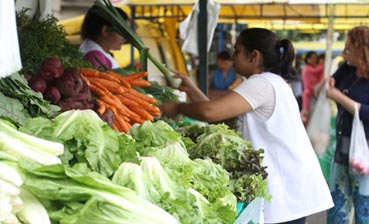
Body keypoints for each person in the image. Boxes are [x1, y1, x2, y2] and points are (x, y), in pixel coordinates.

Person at [160, 28, 333, 224]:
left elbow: (209, 112)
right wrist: (191, 89)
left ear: (254, 56)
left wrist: (177, 107)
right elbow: (219, 117)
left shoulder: (262, 84)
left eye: (237, 51)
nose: (233, 57)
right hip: (288, 185)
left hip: (284, 188)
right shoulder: (271, 83)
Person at [325, 25, 369, 224]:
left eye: (349, 48)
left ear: (362, 50)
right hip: (343, 151)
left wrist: (340, 98)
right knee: (337, 211)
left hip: (365, 155)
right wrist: (329, 84)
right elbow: (330, 85)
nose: (344, 53)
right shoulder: (348, 69)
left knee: (364, 211)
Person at [80, 5, 129, 70]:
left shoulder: (95, 52)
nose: (125, 38)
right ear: (105, 31)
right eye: (122, 32)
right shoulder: (95, 57)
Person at [300, 51, 324, 126]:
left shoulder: (315, 70)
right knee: (307, 115)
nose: (314, 60)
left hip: (314, 95)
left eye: (315, 58)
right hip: (309, 95)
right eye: (312, 58)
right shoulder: (308, 69)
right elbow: (309, 86)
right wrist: (323, 65)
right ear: (308, 59)